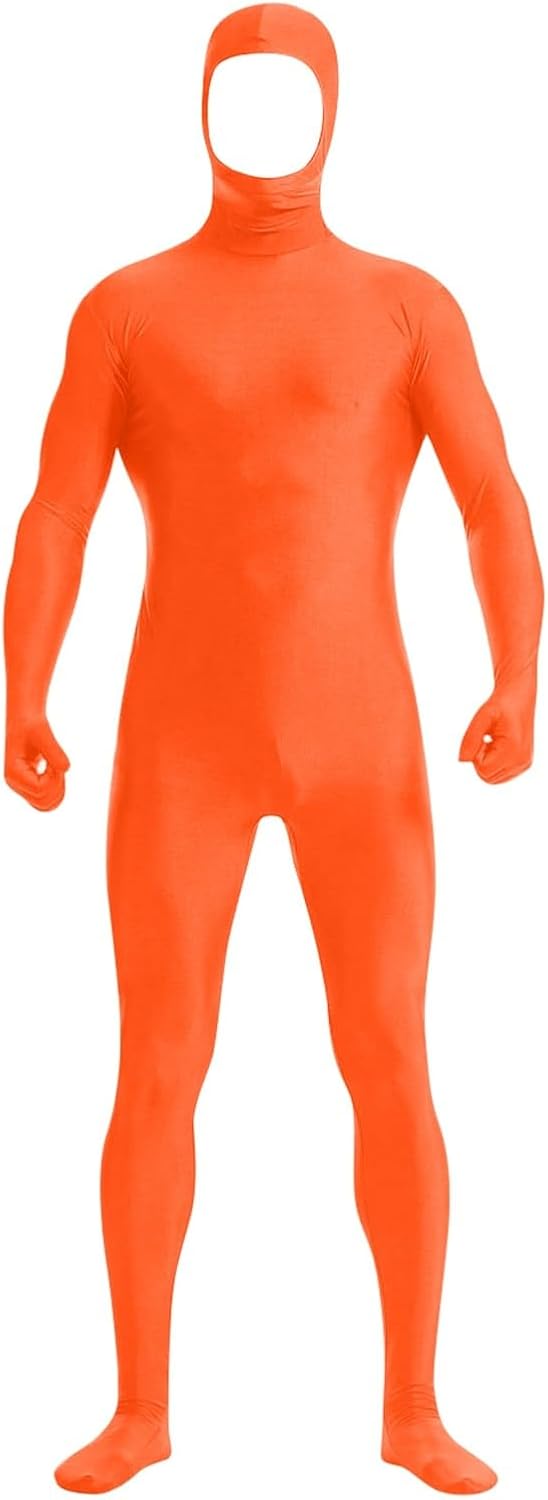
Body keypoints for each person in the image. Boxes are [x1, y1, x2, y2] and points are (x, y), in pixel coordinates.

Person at [3, 3, 543, 1494]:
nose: (261, 120)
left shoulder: (407, 305)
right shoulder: (125, 309)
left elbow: (492, 498)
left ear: (333, 107)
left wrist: (518, 672)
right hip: (177, 747)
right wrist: (25, 688)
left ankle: (414, 1406)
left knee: (391, 1059)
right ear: (197, 109)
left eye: (285, 91)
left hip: (364, 748)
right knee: (158, 1064)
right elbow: (57, 512)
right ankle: (140, 1406)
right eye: (234, 91)